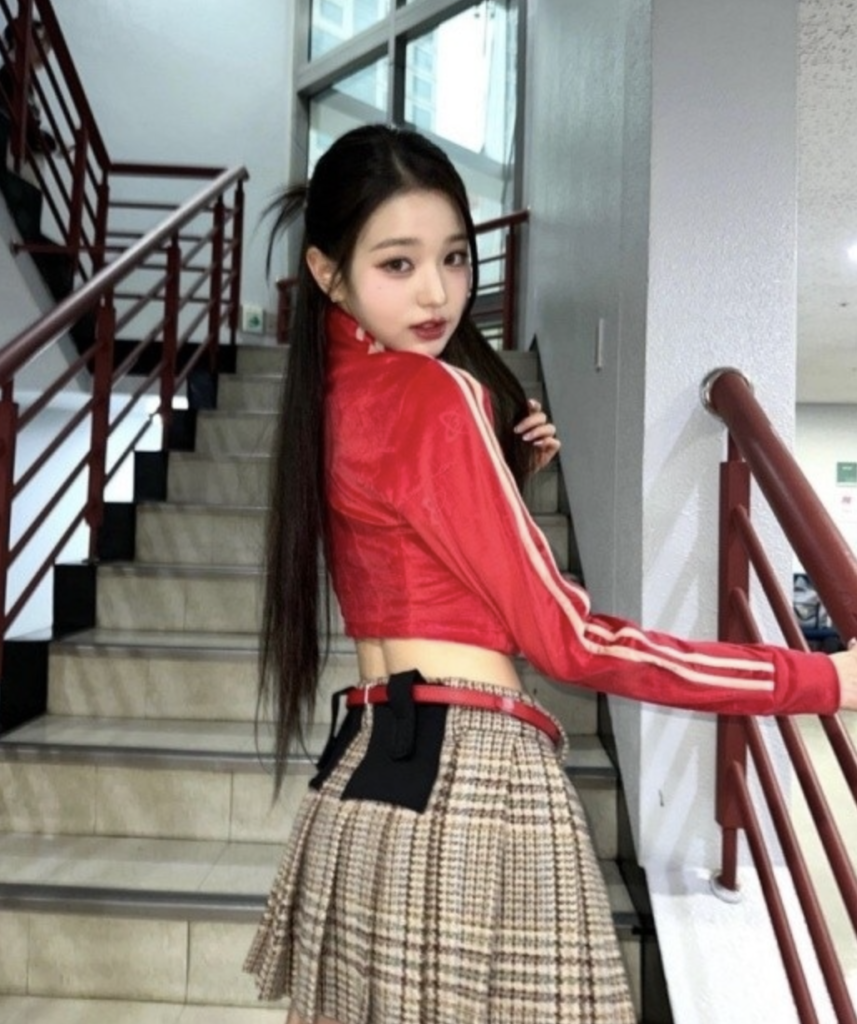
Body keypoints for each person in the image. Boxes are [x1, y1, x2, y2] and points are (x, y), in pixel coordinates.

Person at [244, 124, 857, 1024]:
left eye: (454, 258)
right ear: (329, 273)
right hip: (471, 784)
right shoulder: (433, 393)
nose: (437, 292)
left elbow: (410, 561)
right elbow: (573, 643)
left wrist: (498, 477)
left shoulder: (333, 398)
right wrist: (817, 679)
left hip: (367, 776)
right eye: (398, 263)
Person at [0, 17, 57, 160]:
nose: (44, 51)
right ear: (18, 41)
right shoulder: (8, 76)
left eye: (46, 46)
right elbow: (11, 123)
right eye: (40, 42)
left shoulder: (26, 83)